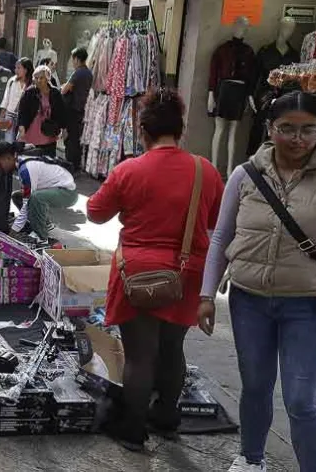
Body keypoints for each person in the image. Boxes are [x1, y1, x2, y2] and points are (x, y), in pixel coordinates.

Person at [198, 91, 316, 472]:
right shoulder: (245, 173)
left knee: (302, 400)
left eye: (308, 130)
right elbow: (221, 236)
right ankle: (251, 458)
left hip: (311, 305)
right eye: (287, 129)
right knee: (254, 387)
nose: (298, 138)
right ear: (270, 129)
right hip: (249, 299)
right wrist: (206, 293)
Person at [86, 88, 225, 452]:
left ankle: (133, 428)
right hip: (188, 271)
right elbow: (215, 219)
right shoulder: (204, 170)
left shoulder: (129, 170)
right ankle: (166, 417)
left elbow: (95, 213)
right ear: (180, 130)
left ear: (143, 131)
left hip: (139, 274)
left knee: (140, 355)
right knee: (173, 349)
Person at [0, 145, 76, 243]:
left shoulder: (26, 170)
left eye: (1, 164)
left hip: (67, 193)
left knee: (35, 198)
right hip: (56, 188)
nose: (1, 168)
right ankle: (43, 223)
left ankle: (41, 237)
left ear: (8, 159)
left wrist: (12, 232)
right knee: (17, 196)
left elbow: (27, 202)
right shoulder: (22, 162)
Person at [15, 65, 65, 157]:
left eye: (41, 78)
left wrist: (61, 127)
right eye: (36, 78)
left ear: (47, 78)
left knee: (48, 158)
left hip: (49, 131)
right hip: (31, 129)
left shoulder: (55, 93)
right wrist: (21, 125)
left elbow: (61, 112)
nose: (38, 80)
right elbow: (22, 111)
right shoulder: (29, 92)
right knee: (30, 156)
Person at [61, 47, 93, 172]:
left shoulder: (78, 72)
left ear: (77, 59)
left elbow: (65, 90)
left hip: (73, 109)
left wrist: (63, 87)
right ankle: (77, 163)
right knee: (77, 137)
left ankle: (71, 164)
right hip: (82, 108)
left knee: (71, 138)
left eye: (73, 59)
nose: (72, 62)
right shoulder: (89, 73)